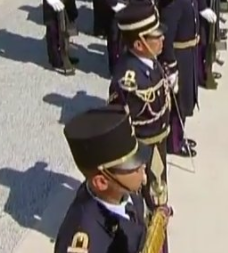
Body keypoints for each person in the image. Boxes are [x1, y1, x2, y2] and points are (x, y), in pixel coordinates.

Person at [55, 105, 171, 253]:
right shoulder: (85, 240)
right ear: (102, 182)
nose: (143, 166)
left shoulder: (124, 193)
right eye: (133, 167)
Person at [108, 3, 178, 212]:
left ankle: (159, 213)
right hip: (140, 150)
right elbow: (117, 123)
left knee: (158, 188)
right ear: (140, 44)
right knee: (141, 198)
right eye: (156, 37)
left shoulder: (152, 62)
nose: (162, 39)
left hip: (158, 142)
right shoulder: (127, 79)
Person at [157, 0, 200, 159]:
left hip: (188, 51)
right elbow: (167, 32)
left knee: (186, 97)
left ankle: (179, 136)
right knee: (177, 102)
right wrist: (170, 64)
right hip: (179, 54)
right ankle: (175, 142)